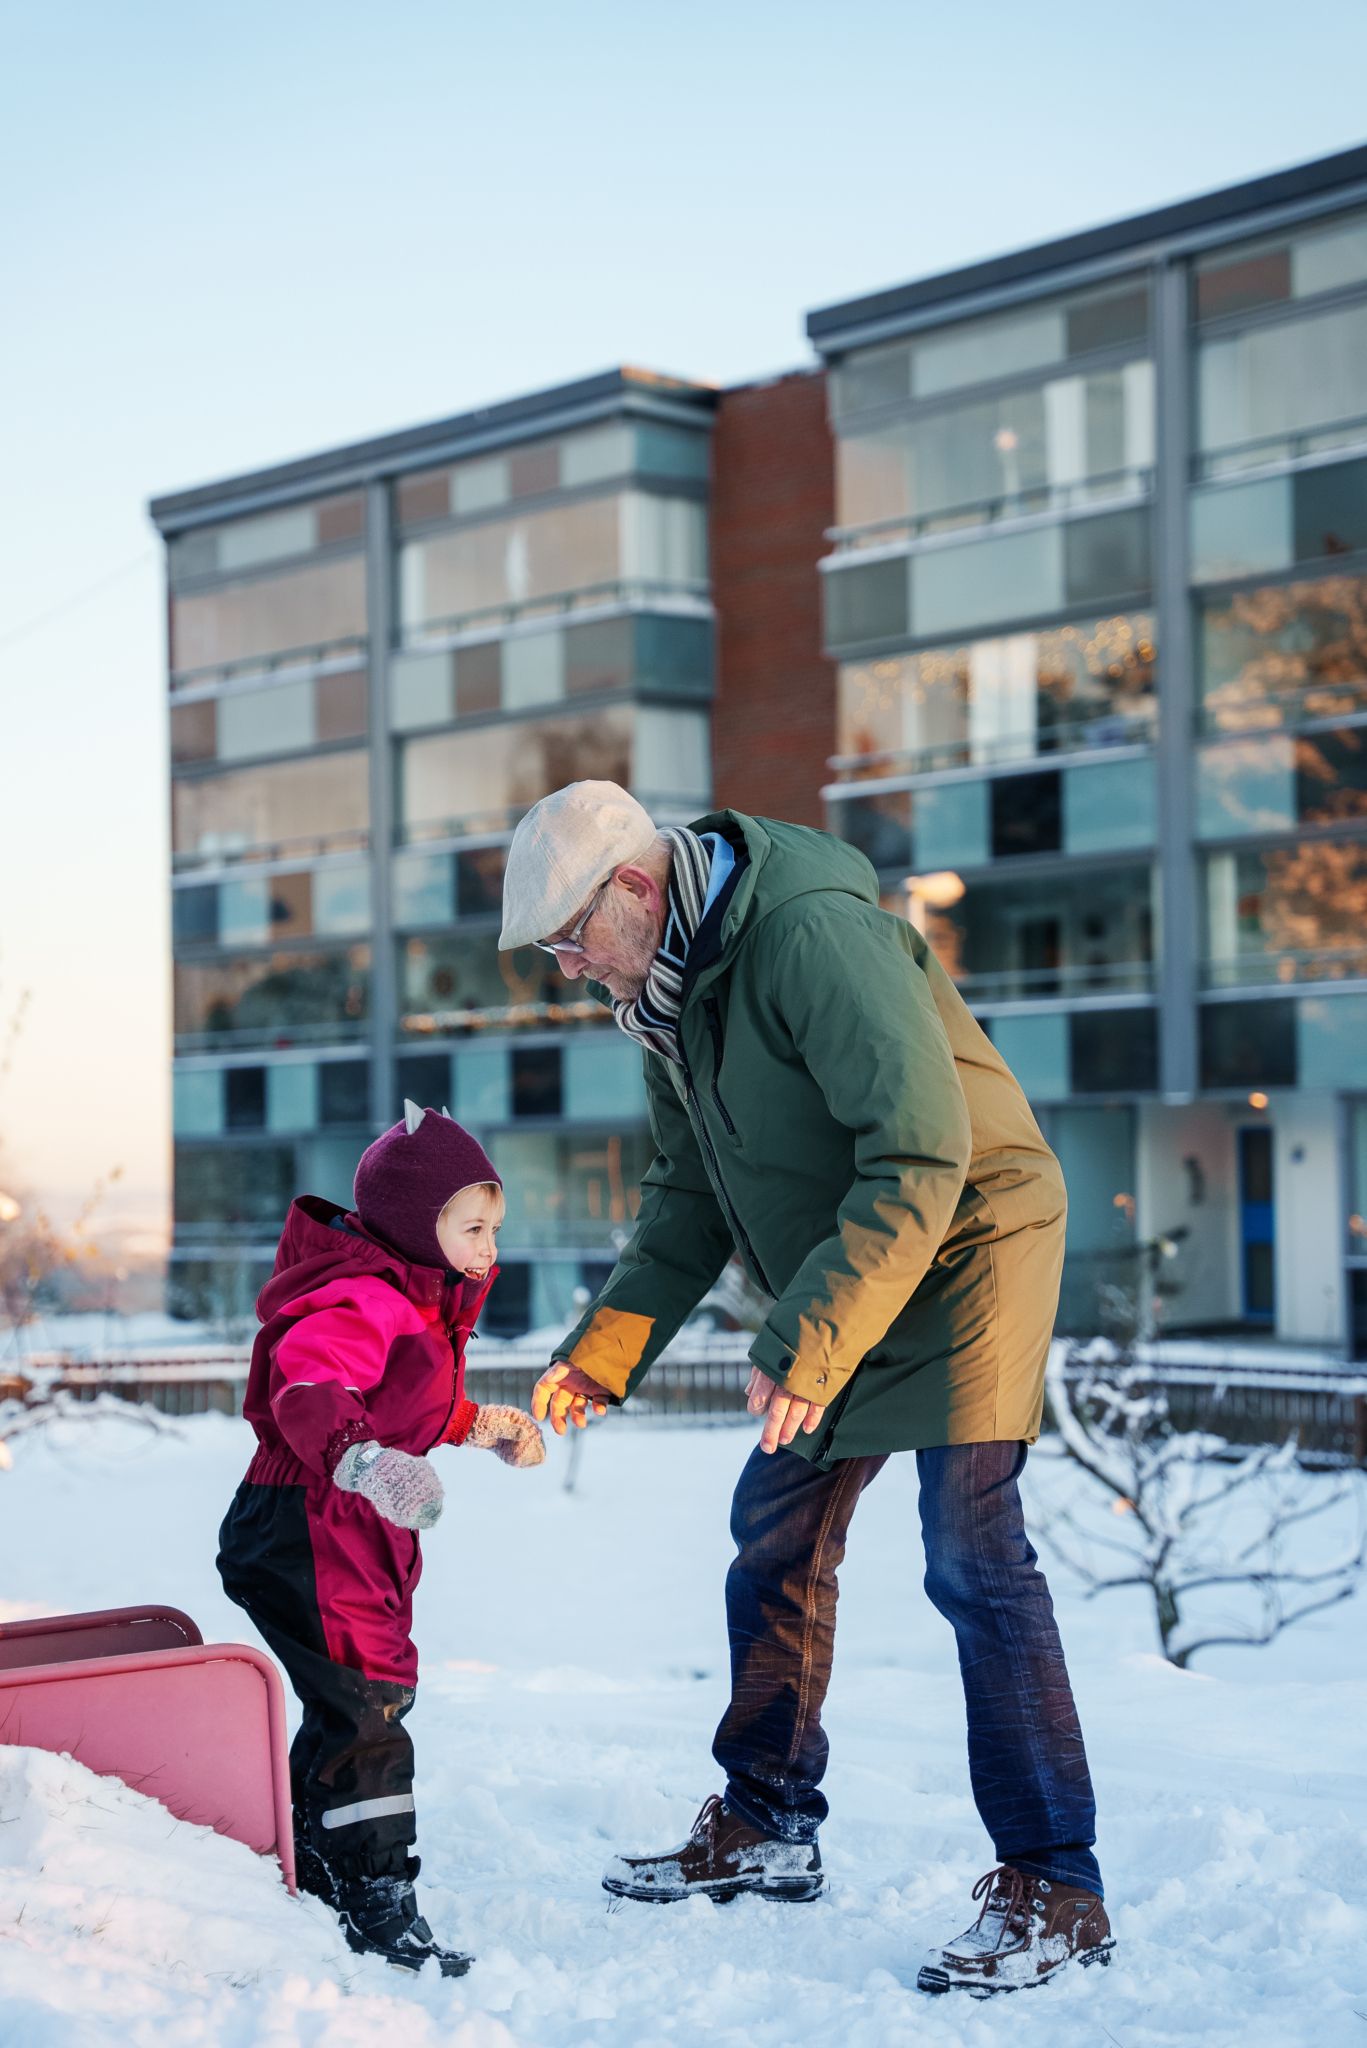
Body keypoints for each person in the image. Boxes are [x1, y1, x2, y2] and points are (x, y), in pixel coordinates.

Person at [500, 783, 1113, 1998]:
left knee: (971, 1551)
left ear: (637, 885)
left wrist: (809, 1336)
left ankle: (1056, 1883)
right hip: (854, 1258)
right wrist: (602, 1349)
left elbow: (921, 1147)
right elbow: (686, 1192)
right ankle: (767, 1818)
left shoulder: (807, 933)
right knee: (775, 1528)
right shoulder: (667, 1001)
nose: (569, 968)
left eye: (571, 937)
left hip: (965, 1239)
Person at [216, 1102, 545, 1976]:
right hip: (314, 1520)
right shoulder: (363, 1296)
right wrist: (359, 1458)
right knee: (368, 1706)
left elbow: (403, 1400)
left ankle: (317, 1873)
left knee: (355, 1701)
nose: (488, 1247)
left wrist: (476, 1425)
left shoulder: (412, 1299)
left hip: (350, 1525)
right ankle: (374, 1901)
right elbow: (312, 1382)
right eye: (471, 1228)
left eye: (493, 1228)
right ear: (411, 1222)